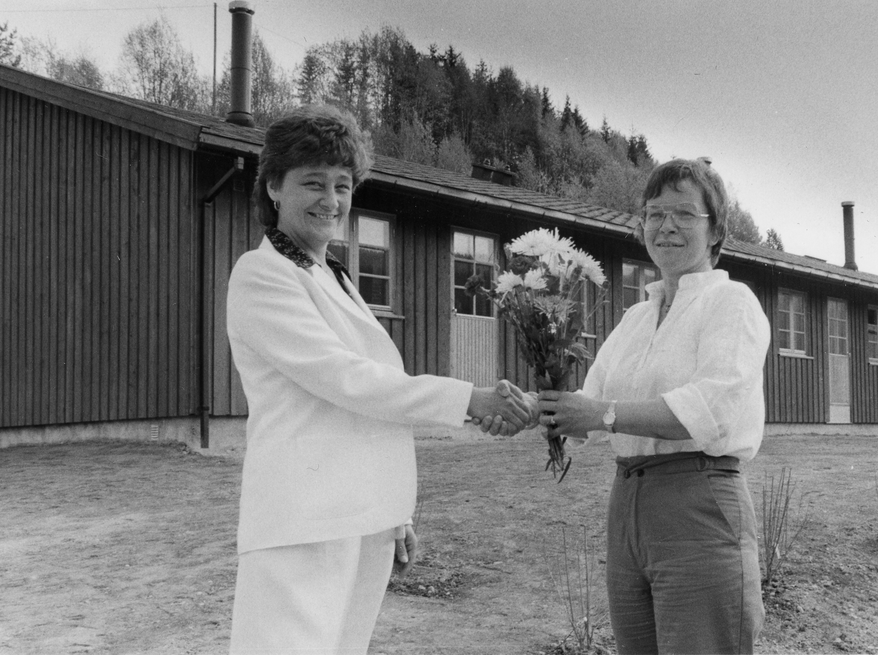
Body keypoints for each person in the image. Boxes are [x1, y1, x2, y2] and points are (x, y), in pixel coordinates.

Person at [225, 105, 532, 654]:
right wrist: (469, 397)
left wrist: (392, 515)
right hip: (302, 523)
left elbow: (368, 407)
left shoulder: (333, 274)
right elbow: (350, 381)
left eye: (342, 185)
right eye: (313, 183)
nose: (331, 200)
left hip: (359, 519)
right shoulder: (262, 274)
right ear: (273, 186)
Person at [537, 158, 771, 654]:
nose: (666, 226)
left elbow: (709, 410)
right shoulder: (636, 317)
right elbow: (586, 405)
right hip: (627, 509)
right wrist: (532, 404)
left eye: (685, 214)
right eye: (654, 213)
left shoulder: (732, 302)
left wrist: (600, 413)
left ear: (716, 230)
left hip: (699, 505)